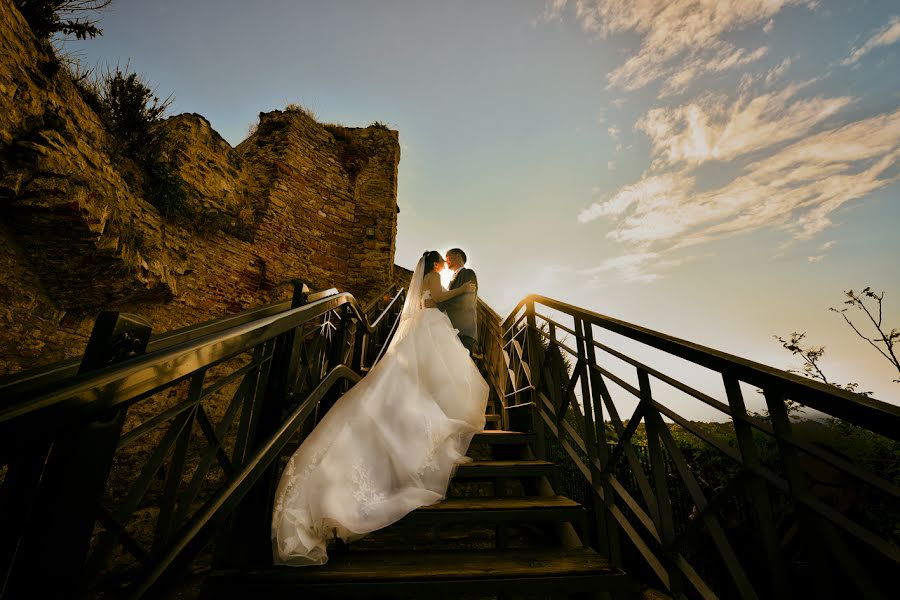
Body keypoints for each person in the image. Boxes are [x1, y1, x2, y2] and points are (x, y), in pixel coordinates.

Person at [271, 251, 487, 566]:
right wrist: (461, 292)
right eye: (440, 259)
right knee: (426, 374)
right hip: (430, 325)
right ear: (432, 264)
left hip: (429, 326)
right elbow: (439, 297)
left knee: (423, 375)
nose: (444, 262)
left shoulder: (434, 277)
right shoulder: (432, 278)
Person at [437, 248, 479, 353]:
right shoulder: (450, 280)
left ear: (458, 256)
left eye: (447, 257)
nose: (446, 262)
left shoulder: (468, 273)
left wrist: (440, 306)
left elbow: (466, 301)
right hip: (452, 328)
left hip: (464, 329)